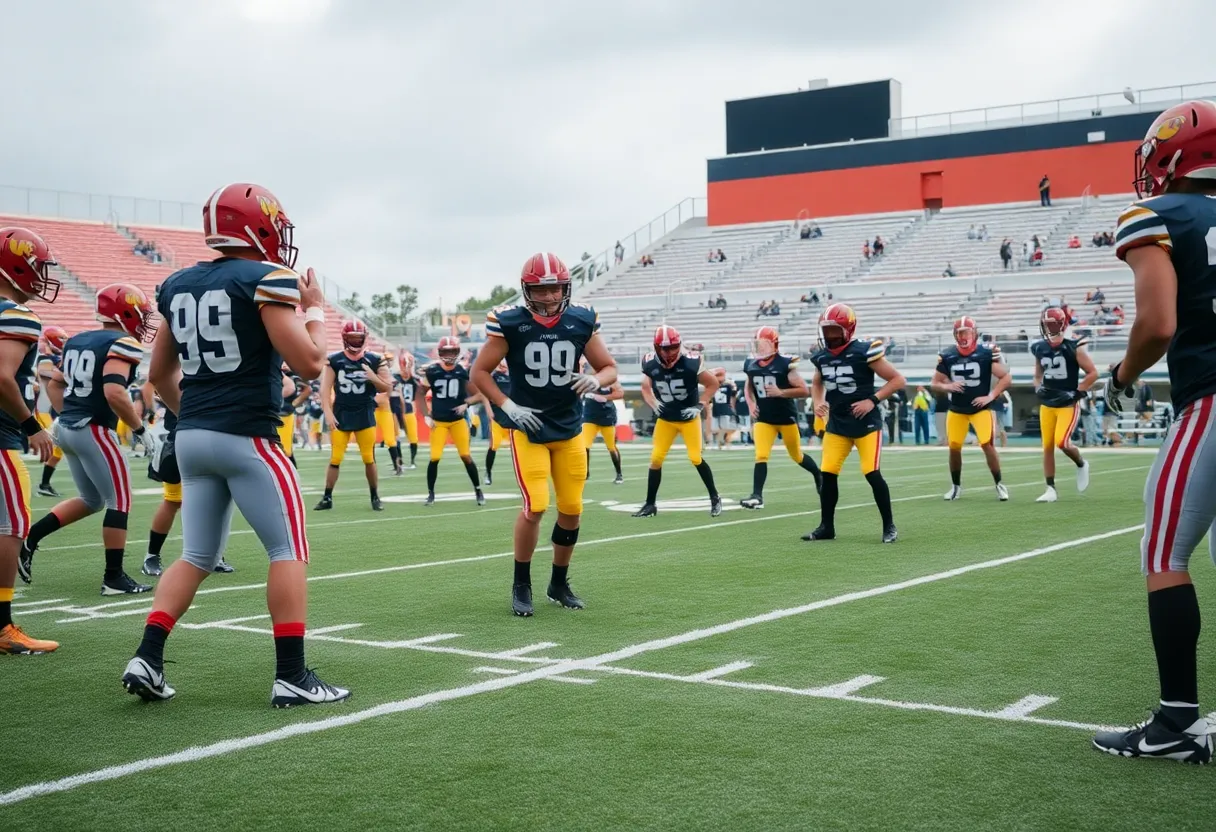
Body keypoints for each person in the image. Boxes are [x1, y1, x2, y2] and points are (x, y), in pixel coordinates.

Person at [120, 182, 348, 708]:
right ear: (259, 226)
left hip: (193, 437)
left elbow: (158, 373)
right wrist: (314, 311)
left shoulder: (177, 285)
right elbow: (311, 363)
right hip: (247, 434)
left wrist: (197, 419)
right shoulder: (266, 277)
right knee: (287, 549)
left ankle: (147, 656)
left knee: (196, 553)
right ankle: (291, 674)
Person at [1093, 100, 1216, 763]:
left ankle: (1173, 724)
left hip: (1211, 401)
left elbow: (1159, 323)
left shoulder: (1159, 214)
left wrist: (1121, 373)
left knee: (1164, 552)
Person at [472, 252, 618, 617]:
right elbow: (480, 372)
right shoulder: (509, 322)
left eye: (555, 289)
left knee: (571, 509)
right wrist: (508, 406)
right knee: (536, 505)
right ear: (526, 290)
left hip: (568, 426)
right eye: (542, 289)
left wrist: (595, 379)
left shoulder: (582, 320)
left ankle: (559, 581)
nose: (550, 297)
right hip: (528, 426)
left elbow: (609, 368)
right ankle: (521, 583)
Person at [19, 284, 156, 596]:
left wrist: (69, 415)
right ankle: (113, 577)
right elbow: (114, 392)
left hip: (69, 428)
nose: (143, 320)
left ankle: (31, 538)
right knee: (119, 500)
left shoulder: (78, 339)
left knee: (92, 500)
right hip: (94, 429)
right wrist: (139, 428)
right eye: (140, 313)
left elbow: (55, 384)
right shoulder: (122, 342)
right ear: (125, 311)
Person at [0, 227, 61, 655]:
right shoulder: (16, 313)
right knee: (13, 524)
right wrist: (30, 424)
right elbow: (3, 376)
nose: (40, 276)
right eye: (37, 266)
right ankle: (3, 627)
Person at [804, 304, 904, 543]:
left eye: (834, 330)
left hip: (865, 423)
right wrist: (818, 401)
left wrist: (872, 400)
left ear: (848, 329)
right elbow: (817, 383)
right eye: (826, 330)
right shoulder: (821, 356)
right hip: (838, 424)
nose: (829, 335)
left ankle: (889, 526)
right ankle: (827, 527)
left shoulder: (864, 350)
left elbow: (898, 380)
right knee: (828, 473)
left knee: (871, 472)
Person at [140, 379, 234, 577]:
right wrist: (153, 411)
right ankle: (151, 555)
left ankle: (214, 554)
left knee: (213, 498)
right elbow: (152, 381)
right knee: (173, 500)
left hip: (211, 434)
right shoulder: (179, 363)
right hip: (180, 435)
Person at [633, 326, 721, 518]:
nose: (669, 352)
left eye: (673, 347)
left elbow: (712, 384)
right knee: (655, 459)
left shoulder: (690, 362)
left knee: (695, 458)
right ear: (657, 348)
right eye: (665, 348)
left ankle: (715, 498)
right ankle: (650, 504)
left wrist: (700, 404)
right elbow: (645, 388)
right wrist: (653, 403)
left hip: (688, 419)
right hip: (666, 419)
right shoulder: (649, 363)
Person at [739, 325, 822, 510]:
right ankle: (757, 496)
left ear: (774, 345)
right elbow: (748, 387)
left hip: (785, 418)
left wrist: (781, 392)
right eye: (758, 344)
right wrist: (751, 404)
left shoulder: (785, 363)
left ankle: (818, 474)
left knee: (797, 456)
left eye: (763, 344)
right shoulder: (751, 364)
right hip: (764, 419)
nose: (760, 347)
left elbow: (804, 390)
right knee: (761, 454)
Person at [933, 317, 1011, 502]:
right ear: (954, 335)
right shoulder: (948, 355)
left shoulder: (986, 353)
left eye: (966, 331)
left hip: (981, 409)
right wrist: (947, 386)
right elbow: (935, 383)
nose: (963, 336)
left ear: (974, 333)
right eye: (959, 332)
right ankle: (956, 487)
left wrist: (991, 396)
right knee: (953, 447)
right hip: (957, 409)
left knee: (987, 445)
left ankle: (999, 484)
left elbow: (1006, 378)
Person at [315, 320, 391, 512]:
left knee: (368, 457)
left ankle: (375, 496)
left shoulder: (375, 359)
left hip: (364, 413)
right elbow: (325, 390)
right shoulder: (335, 360)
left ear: (364, 339)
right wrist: (328, 413)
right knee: (335, 458)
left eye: (359, 338)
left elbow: (387, 387)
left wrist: (373, 378)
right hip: (341, 413)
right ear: (344, 339)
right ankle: (327, 497)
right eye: (352, 338)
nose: (356, 342)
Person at [1031, 307, 1097, 503]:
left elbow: (1093, 373)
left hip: (1067, 403)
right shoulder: (1039, 347)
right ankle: (1050, 488)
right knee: (1048, 447)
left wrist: (1077, 391)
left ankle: (1081, 463)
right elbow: (1037, 375)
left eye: (1052, 324)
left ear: (1062, 325)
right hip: (1047, 403)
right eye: (1047, 324)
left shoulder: (1073, 346)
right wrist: (1037, 388)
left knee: (1062, 442)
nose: (1049, 328)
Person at [418, 336, 485, 507]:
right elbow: (420, 394)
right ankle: (431, 494)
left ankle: (478, 490)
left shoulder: (462, 371)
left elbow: (478, 394)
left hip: (457, 421)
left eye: (452, 351)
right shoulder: (432, 371)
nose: (449, 355)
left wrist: (466, 404)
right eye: (445, 352)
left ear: (457, 352)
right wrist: (426, 415)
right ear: (440, 353)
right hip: (439, 421)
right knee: (434, 457)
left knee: (465, 455)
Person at [33, 324, 68, 497]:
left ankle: (44, 484)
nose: (63, 342)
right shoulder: (45, 358)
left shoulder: (57, 358)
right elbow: (46, 373)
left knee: (59, 450)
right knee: (56, 448)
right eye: (61, 338)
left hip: (53, 410)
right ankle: (43, 485)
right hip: (44, 410)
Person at [580, 363, 623, 484]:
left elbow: (620, 393)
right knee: (585, 446)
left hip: (606, 417)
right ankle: (586, 473)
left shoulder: (611, 381)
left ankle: (619, 474)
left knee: (611, 447)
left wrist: (605, 397)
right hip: (590, 417)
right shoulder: (586, 379)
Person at [374, 348, 404, 476]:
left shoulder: (393, 376)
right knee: (369, 440)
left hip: (387, 409)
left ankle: (398, 466)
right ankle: (371, 468)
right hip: (374, 410)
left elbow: (391, 393)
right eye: (386, 360)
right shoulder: (374, 373)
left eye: (390, 360)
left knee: (391, 440)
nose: (388, 362)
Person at [278, 362, 311, 468]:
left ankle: (291, 473)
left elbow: (307, 389)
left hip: (284, 414)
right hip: (273, 413)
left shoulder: (293, 378)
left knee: (285, 450)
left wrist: (295, 403)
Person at [396, 352, 420, 469]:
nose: (406, 370)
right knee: (397, 438)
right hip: (398, 413)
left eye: (409, 366)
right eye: (405, 366)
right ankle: (400, 462)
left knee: (413, 438)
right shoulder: (395, 378)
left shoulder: (415, 380)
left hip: (410, 412)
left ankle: (412, 461)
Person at [709, 367, 738, 450]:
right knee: (716, 429)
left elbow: (733, 394)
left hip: (725, 409)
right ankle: (719, 444)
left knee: (726, 428)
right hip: (716, 409)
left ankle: (726, 442)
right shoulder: (712, 385)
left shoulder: (728, 385)